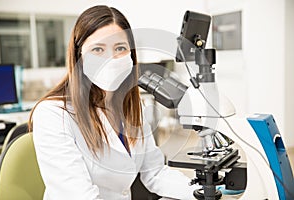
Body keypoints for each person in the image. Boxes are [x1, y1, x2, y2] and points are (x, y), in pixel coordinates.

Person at [29, 5, 199, 200]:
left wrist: (202, 193)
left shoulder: (134, 109)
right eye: (98, 49)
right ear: (79, 56)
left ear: (131, 54)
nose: (110, 58)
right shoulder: (53, 114)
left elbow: (155, 172)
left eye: (120, 48)